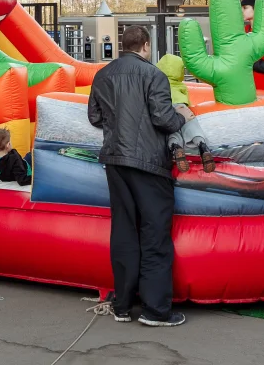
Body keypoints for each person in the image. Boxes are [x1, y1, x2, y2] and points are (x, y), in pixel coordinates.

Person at [88, 24, 190, 327]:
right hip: (149, 164)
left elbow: (94, 116)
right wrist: (181, 115)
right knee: (155, 235)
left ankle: (121, 305)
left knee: (123, 232)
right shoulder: (154, 75)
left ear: (123, 45)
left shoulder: (102, 75)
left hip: (116, 162)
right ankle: (156, 310)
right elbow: (162, 118)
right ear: (145, 45)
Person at [157, 53, 215, 173]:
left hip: (165, 107)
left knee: (172, 129)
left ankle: (175, 146)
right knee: (190, 123)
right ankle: (201, 145)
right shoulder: (181, 85)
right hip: (181, 105)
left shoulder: (158, 84)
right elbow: (188, 102)